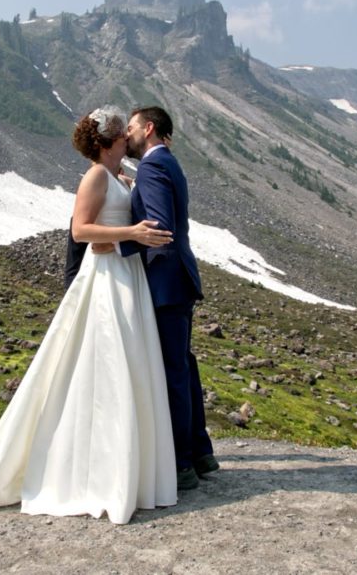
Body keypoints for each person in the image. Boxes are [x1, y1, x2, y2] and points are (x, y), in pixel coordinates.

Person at [0, 106, 177, 524]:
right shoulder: (95, 176)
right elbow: (81, 231)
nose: (130, 137)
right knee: (108, 363)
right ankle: (107, 472)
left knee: (129, 363)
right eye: (123, 133)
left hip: (126, 274)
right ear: (112, 140)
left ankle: (131, 470)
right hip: (107, 277)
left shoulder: (116, 176)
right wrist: (130, 233)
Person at [118, 106, 218, 491]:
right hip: (177, 278)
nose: (127, 136)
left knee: (171, 370)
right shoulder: (164, 163)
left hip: (165, 281)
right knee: (183, 365)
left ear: (149, 128)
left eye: (130, 129)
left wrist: (114, 241)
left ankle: (180, 464)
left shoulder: (152, 166)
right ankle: (200, 451)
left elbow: (158, 227)